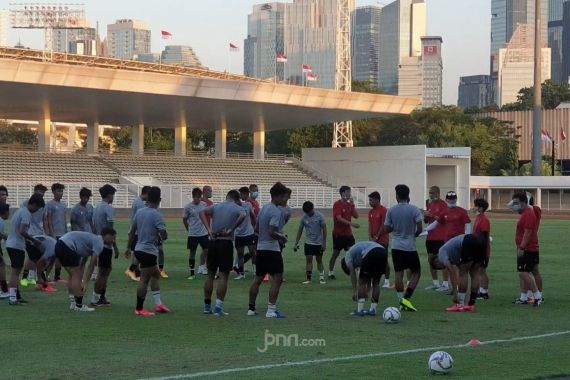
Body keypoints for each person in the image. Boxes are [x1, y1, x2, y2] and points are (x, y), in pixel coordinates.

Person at [199, 190, 246, 316]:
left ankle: (207, 306)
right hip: (226, 242)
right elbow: (243, 215)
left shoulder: (216, 206)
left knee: (210, 274)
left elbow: (201, 212)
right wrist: (232, 228)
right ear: (236, 199)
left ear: (227, 197)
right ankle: (218, 308)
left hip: (213, 241)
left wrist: (209, 230)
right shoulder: (236, 207)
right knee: (224, 276)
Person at [47, 229, 116, 312]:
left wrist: (82, 276)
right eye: (112, 238)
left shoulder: (89, 241)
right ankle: (79, 305)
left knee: (72, 274)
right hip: (66, 245)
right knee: (76, 274)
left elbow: (82, 262)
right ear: (106, 235)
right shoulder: (99, 242)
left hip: (60, 244)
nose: (113, 241)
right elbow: (92, 265)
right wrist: (85, 282)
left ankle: (73, 303)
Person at [248, 182, 289, 318]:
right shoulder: (276, 212)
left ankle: (251, 309)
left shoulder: (264, 208)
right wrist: (281, 237)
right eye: (283, 197)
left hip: (261, 249)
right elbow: (272, 232)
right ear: (276, 196)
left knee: (257, 280)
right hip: (272, 250)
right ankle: (271, 310)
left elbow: (257, 229)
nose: (285, 200)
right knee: (277, 279)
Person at [128, 187, 170, 316]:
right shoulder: (157, 215)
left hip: (139, 249)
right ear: (159, 200)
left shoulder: (140, 212)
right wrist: (160, 236)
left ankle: (158, 304)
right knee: (145, 279)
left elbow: (132, 232)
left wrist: (129, 248)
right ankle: (139, 309)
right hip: (149, 251)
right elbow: (164, 234)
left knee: (155, 275)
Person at [382, 184, 423, 312]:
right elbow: (420, 228)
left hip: (396, 246)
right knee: (416, 272)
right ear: (408, 195)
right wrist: (413, 235)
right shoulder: (414, 209)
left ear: (397, 196)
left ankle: (400, 300)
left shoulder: (391, 210)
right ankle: (407, 298)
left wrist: (395, 228)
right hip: (409, 246)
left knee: (398, 274)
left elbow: (387, 228)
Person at [5, 194, 45, 305]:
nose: (37, 211)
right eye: (38, 208)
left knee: (16, 273)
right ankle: (12, 298)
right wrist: (34, 240)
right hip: (16, 245)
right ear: (34, 205)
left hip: (12, 243)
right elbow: (22, 231)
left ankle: (17, 296)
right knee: (15, 273)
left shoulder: (20, 210)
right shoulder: (27, 214)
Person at [432, 234, 486, 312]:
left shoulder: (441, 254)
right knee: (474, 273)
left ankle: (460, 304)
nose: (442, 268)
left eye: (438, 267)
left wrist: (455, 293)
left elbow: (452, 272)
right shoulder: (454, 255)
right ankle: (471, 304)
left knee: (463, 273)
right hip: (480, 241)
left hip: (468, 241)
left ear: (436, 261)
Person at [434, 191, 471, 293]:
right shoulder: (445, 211)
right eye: (450, 198)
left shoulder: (462, 211)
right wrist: (425, 231)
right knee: (450, 266)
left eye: (453, 198)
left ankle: (459, 288)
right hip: (447, 243)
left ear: (456, 199)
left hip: (459, 243)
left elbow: (468, 224)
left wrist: (466, 238)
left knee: (459, 267)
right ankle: (454, 287)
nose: (452, 200)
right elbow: (437, 223)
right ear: (446, 199)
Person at [509, 192, 542, 306]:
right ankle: (524, 298)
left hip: (528, 248)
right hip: (527, 247)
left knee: (524, 272)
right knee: (525, 272)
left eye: (516, 203)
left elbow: (527, 233)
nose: (514, 205)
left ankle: (537, 296)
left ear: (524, 203)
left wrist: (522, 247)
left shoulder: (529, 214)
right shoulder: (526, 213)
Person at [341, 241, 388, 316]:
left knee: (362, 282)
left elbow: (352, 273)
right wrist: (368, 291)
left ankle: (360, 311)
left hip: (371, 252)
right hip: (382, 252)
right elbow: (368, 276)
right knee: (376, 282)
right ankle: (373, 310)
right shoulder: (359, 256)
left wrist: (354, 291)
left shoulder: (347, 257)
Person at [91, 184, 119, 307]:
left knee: (103, 271)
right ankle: (96, 298)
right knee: (104, 272)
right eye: (113, 195)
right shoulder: (108, 208)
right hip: (105, 244)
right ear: (109, 195)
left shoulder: (96, 207)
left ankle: (101, 296)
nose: (113, 197)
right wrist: (115, 246)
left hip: (97, 241)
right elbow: (110, 230)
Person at [329, 185, 359, 280]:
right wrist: (351, 224)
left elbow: (356, 216)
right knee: (335, 254)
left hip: (348, 235)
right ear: (342, 193)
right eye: (348, 192)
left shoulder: (349, 205)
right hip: (338, 235)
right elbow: (338, 218)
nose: (349, 194)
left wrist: (353, 204)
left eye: (349, 192)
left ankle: (356, 273)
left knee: (353, 253)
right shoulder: (337, 204)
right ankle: (331, 272)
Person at [20, 184, 47, 287]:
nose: (41, 195)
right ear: (34, 191)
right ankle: (31, 279)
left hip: (40, 233)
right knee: (34, 257)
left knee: (33, 257)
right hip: (29, 233)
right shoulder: (26, 204)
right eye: (40, 192)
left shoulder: (43, 205)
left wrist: (46, 233)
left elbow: (44, 219)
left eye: (43, 193)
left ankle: (30, 277)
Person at [294, 201, 327, 285]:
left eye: (309, 212)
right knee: (309, 260)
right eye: (306, 212)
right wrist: (296, 243)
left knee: (319, 260)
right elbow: (300, 230)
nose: (308, 214)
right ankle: (308, 279)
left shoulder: (320, 216)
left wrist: (324, 243)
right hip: (308, 243)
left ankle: (322, 278)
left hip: (318, 243)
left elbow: (324, 229)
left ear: (313, 208)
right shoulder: (304, 218)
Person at [423, 186, 448, 291]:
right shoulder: (429, 203)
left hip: (441, 237)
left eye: (432, 193)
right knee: (431, 260)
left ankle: (445, 284)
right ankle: (435, 283)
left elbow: (444, 220)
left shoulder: (443, 205)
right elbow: (425, 221)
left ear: (438, 193)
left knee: (442, 260)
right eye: (430, 193)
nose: (431, 195)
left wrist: (432, 215)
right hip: (430, 237)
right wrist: (426, 215)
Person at [182, 187, 209, 279]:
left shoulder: (204, 204)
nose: (197, 199)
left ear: (200, 196)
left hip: (203, 233)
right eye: (195, 197)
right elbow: (185, 219)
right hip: (193, 233)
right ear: (193, 196)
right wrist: (188, 229)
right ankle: (192, 273)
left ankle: (207, 268)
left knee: (207, 251)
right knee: (192, 252)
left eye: (198, 197)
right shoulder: (188, 207)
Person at [125, 186, 150, 282]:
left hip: (136, 231)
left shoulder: (138, 201)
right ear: (146, 193)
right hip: (136, 232)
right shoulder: (140, 203)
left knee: (136, 252)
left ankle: (134, 271)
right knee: (136, 253)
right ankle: (134, 272)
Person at [44, 183, 67, 282]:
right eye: (58, 191)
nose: (60, 193)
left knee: (60, 257)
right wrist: (51, 233)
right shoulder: (49, 204)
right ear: (53, 192)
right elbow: (48, 220)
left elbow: (64, 219)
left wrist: (66, 232)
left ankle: (57, 276)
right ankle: (45, 274)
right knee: (51, 256)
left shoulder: (63, 204)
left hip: (62, 234)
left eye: (61, 191)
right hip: (54, 234)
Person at [368, 191, 391, 288]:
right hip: (373, 240)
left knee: (383, 260)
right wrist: (370, 236)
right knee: (373, 260)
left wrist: (377, 236)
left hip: (382, 240)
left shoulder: (383, 210)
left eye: (371, 200)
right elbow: (369, 224)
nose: (370, 202)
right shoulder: (371, 211)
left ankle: (387, 280)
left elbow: (383, 225)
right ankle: (374, 280)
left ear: (377, 200)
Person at [233, 187, 257, 280]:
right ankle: (241, 274)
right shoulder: (234, 207)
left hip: (249, 233)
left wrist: (255, 228)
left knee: (252, 252)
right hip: (238, 234)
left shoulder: (248, 205)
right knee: (240, 254)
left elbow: (253, 217)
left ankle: (255, 271)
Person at [472, 198, 491, 300]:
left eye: (476, 206)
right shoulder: (479, 218)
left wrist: (482, 251)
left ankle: (484, 293)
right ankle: (481, 291)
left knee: (482, 271)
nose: (474, 207)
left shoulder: (484, 220)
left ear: (481, 208)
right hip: (477, 249)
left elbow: (484, 236)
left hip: (482, 250)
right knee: (478, 271)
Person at [198, 185, 214, 274]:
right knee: (206, 249)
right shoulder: (200, 202)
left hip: (208, 227)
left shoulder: (210, 203)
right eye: (210, 191)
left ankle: (201, 266)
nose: (211, 193)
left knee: (205, 248)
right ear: (205, 191)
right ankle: (205, 266)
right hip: (201, 227)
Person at [0, 203, 10, 299]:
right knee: (2, 265)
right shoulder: (1, 221)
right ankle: (4, 290)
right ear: (6, 212)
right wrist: (5, 236)